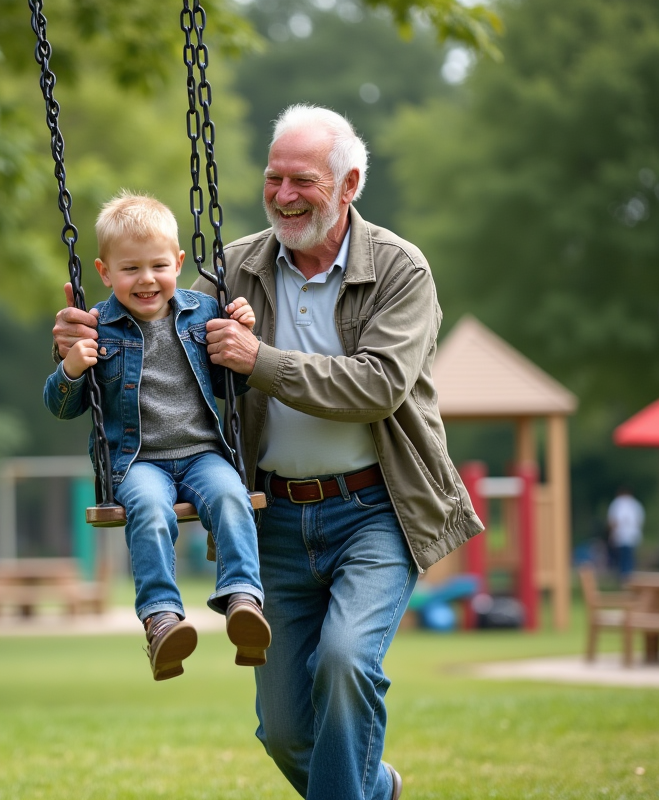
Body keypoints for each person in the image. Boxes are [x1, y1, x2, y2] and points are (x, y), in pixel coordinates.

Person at [53, 106, 482, 800]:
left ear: (349, 184)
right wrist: (86, 336)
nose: (283, 194)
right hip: (273, 517)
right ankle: (376, 790)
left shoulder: (401, 270)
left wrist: (261, 361)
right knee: (284, 730)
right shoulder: (235, 269)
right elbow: (156, 333)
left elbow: (379, 385)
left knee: (346, 664)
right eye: (273, 177)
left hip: (377, 509)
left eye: (302, 180)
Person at [44, 192, 271, 682]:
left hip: (203, 454)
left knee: (233, 497)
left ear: (179, 263)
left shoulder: (202, 312)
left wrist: (241, 334)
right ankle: (162, 619)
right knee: (148, 511)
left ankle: (243, 603)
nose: (146, 280)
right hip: (138, 462)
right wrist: (71, 368)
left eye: (158, 266)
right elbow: (61, 407)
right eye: (130, 270)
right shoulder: (97, 327)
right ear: (104, 272)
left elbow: (232, 383)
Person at [607, 487, 644, 581]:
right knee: (630, 558)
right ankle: (629, 578)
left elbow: (613, 521)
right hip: (632, 536)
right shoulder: (635, 504)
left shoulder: (617, 503)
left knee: (621, 559)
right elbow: (639, 521)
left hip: (620, 536)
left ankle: (623, 579)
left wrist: (612, 534)